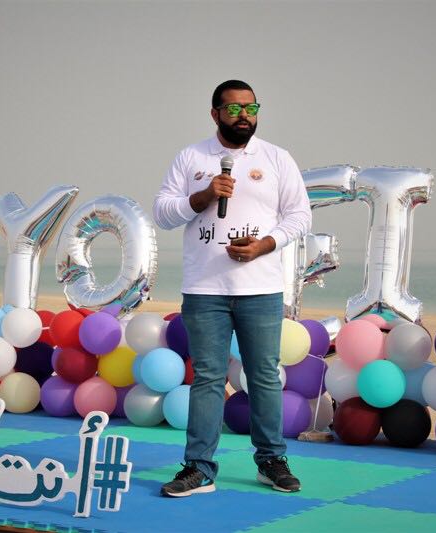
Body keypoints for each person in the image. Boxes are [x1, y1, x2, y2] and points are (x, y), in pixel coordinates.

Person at [153, 80, 311, 497]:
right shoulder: (191, 157)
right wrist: (203, 196)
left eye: (251, 108)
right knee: (207, 377)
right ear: (215, 113)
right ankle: (199, 468)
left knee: (264, 375)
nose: (244, 115)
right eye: (235, 109)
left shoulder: (277, 158)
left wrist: (264, 245)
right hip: (204, 289)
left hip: (261, 288)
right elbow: (163, 214)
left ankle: (271, 460)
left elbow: (300, 216)